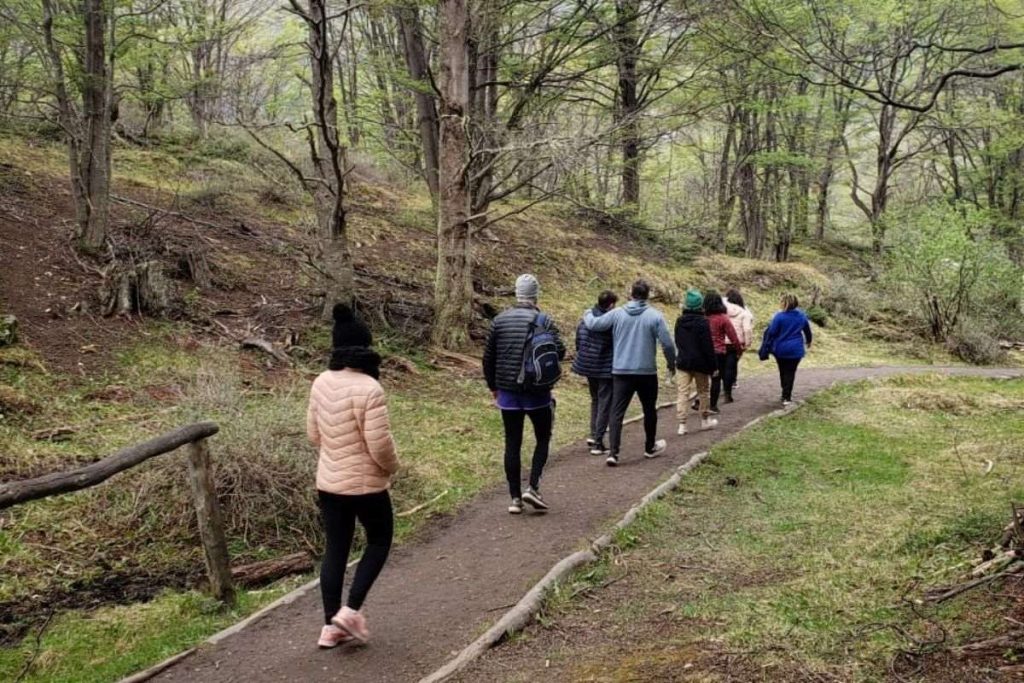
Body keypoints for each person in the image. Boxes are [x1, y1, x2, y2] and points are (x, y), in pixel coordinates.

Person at [307, 304, 399, 648]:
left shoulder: (321, 382)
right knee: (379, 541)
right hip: (367, 485)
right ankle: (350, 610)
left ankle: (329, 626)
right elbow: (380, 445)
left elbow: (314, 435)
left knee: (336, 550)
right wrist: (392, 467)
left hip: (329, 482)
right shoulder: (370, 389)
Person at [483, 274, 566, 514]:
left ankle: (515, 499)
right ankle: (533, 487)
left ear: (516, 293)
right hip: (537, 392)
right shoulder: (543, 320)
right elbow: (559, 351)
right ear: (535, 294)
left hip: (507, 393)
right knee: (542, 437)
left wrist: (494, 387)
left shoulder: (499, 320)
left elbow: (488, 358)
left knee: (512, 442)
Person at [583, 279, 676, 467]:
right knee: (649, 409)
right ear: (648, 295)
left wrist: (587, 313)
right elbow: (667, 343)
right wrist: (671, 363)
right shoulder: (655, 316)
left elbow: (594, 324)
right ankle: (649, 447)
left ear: (631, 294)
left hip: (620, 370)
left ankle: (614, 453)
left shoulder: (617, 313)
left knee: (617, 412)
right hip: (646, 372)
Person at [573, 290, 618, 456]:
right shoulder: (609, 322)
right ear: (611, 304)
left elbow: (578, 340)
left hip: (587, 365)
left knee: (595, 400)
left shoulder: (586, 317)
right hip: (605, 367)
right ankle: (598, 442)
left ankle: (593, 434)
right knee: (605, 402)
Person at [674, 289, 718, 435]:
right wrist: (714, 366)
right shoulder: (703, 322)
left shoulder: (679, 321)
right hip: (701, 363)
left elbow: (677, 341)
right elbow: (708, 346)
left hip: (683, 362)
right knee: (703, 391)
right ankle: (705, 420)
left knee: (683, 392)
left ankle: (682, 424)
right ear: (700, 305)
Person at [758, 293, 813, 406]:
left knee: (783, 371)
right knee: (791, 372)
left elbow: (772, 332)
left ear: (784, 303)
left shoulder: (779, 317)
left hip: (780, 349)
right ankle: (786, 396)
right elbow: (807, 331)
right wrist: (808, 341)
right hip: (796, 349)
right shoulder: (802, 316)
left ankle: (785, 393)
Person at [704, 291, 742, 414]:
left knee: (703, 379)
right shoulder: (723, 318)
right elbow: (733, 336)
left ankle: (698, 401)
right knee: (716, 379)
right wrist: (738, 349)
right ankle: (713, 406)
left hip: (704, 352)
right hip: (718, 352)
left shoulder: (703, 318)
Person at [723, 288, 754, 402]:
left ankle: (720, 387)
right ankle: (728, 392)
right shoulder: (744, 312)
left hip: (721, 342)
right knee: (731, 366)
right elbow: (747, 330)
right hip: (735, 344)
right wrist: (747, 343)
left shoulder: (721, 310)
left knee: (721, 366)